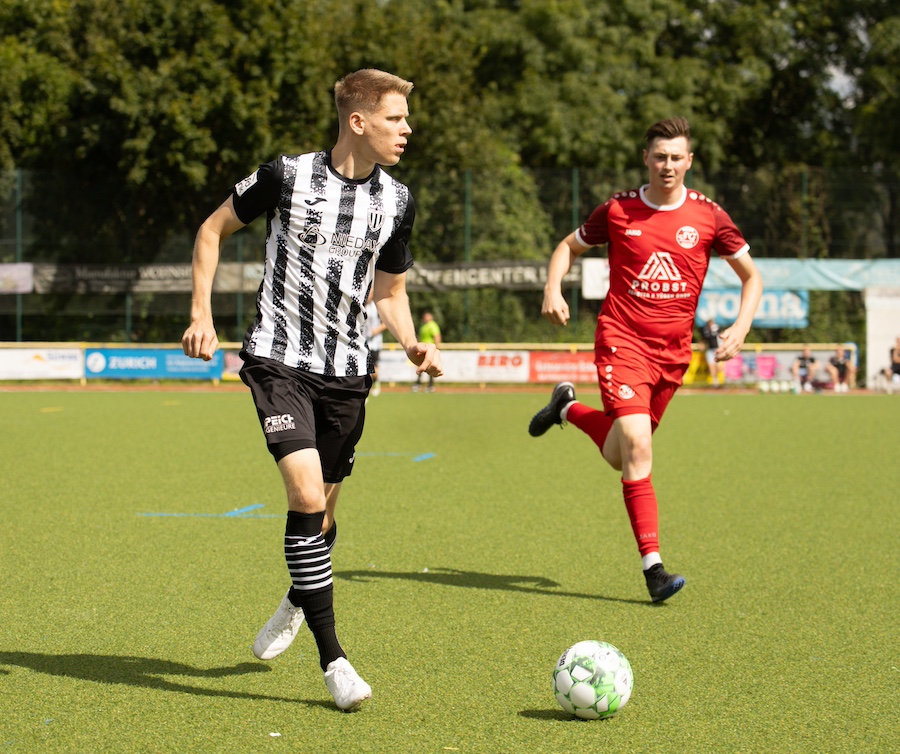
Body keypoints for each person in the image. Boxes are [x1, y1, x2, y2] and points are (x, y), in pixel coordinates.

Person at [181, 68, 442, 711]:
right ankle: (335, 661)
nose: (407, 129)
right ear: (358, 121)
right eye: (395, 118)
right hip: (278, 361)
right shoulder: (286, 176)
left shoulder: (398, 201)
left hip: (348, 371)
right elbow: (211, 229)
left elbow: (390, 291)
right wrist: (201, 314)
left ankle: (299, 595)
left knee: (321, 515)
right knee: (302, 494)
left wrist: (412, 343)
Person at [528, 116, 762, 603]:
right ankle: (654, 569)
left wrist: (741, 326)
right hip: (622, 340)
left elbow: (751, 276)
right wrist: (553, 287)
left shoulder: (709, 216)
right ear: (646, 159)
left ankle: (566, 407)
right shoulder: (618, 210)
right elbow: (567, 247)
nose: (667, 165)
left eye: (676, 157)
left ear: (689, 161)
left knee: (621, 453)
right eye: (659, 157)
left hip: (672, 356)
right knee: (636, 444)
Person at [363, 292, 387, 397]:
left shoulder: (377, 307)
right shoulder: (361, 305)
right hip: (362, 342)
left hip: (374, 344)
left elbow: (386, 323)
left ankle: (376, 384)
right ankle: (365, 390)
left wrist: (377, 330)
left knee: (373, 369)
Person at [413, 311, 441, 392]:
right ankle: (418, 384)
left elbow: (437, 336)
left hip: (430, 349)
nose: (425, 318)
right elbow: (420, 337)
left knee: (430, 367)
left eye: (427, 316)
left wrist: (436, 348)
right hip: (422, 349)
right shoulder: (423, 326)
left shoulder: (432, 325)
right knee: (420, 366)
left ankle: (430, 386)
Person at [701, 318, 723, 387]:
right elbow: (703, 339)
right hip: (710, 350)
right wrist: (702, 345)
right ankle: (715, 381)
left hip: (717, 350)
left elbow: (722, 336)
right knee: (711, 366)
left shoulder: (717, 328)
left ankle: (719, 380)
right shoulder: (706, 330)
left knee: (718, 367)